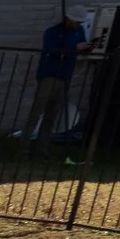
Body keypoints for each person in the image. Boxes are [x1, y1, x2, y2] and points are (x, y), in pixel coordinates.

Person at [24, 12, 89, 147]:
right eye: (77, 22)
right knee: (37, 110)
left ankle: (42, 146)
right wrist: (74, 48)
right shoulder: (53, 32)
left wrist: (87, 48)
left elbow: (81, 47)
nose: (79, 25)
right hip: (49, 73)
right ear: (69, 19)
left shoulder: (78, 31)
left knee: (52, 113)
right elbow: (51, 50)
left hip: (65, 74)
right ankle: (24, 145)